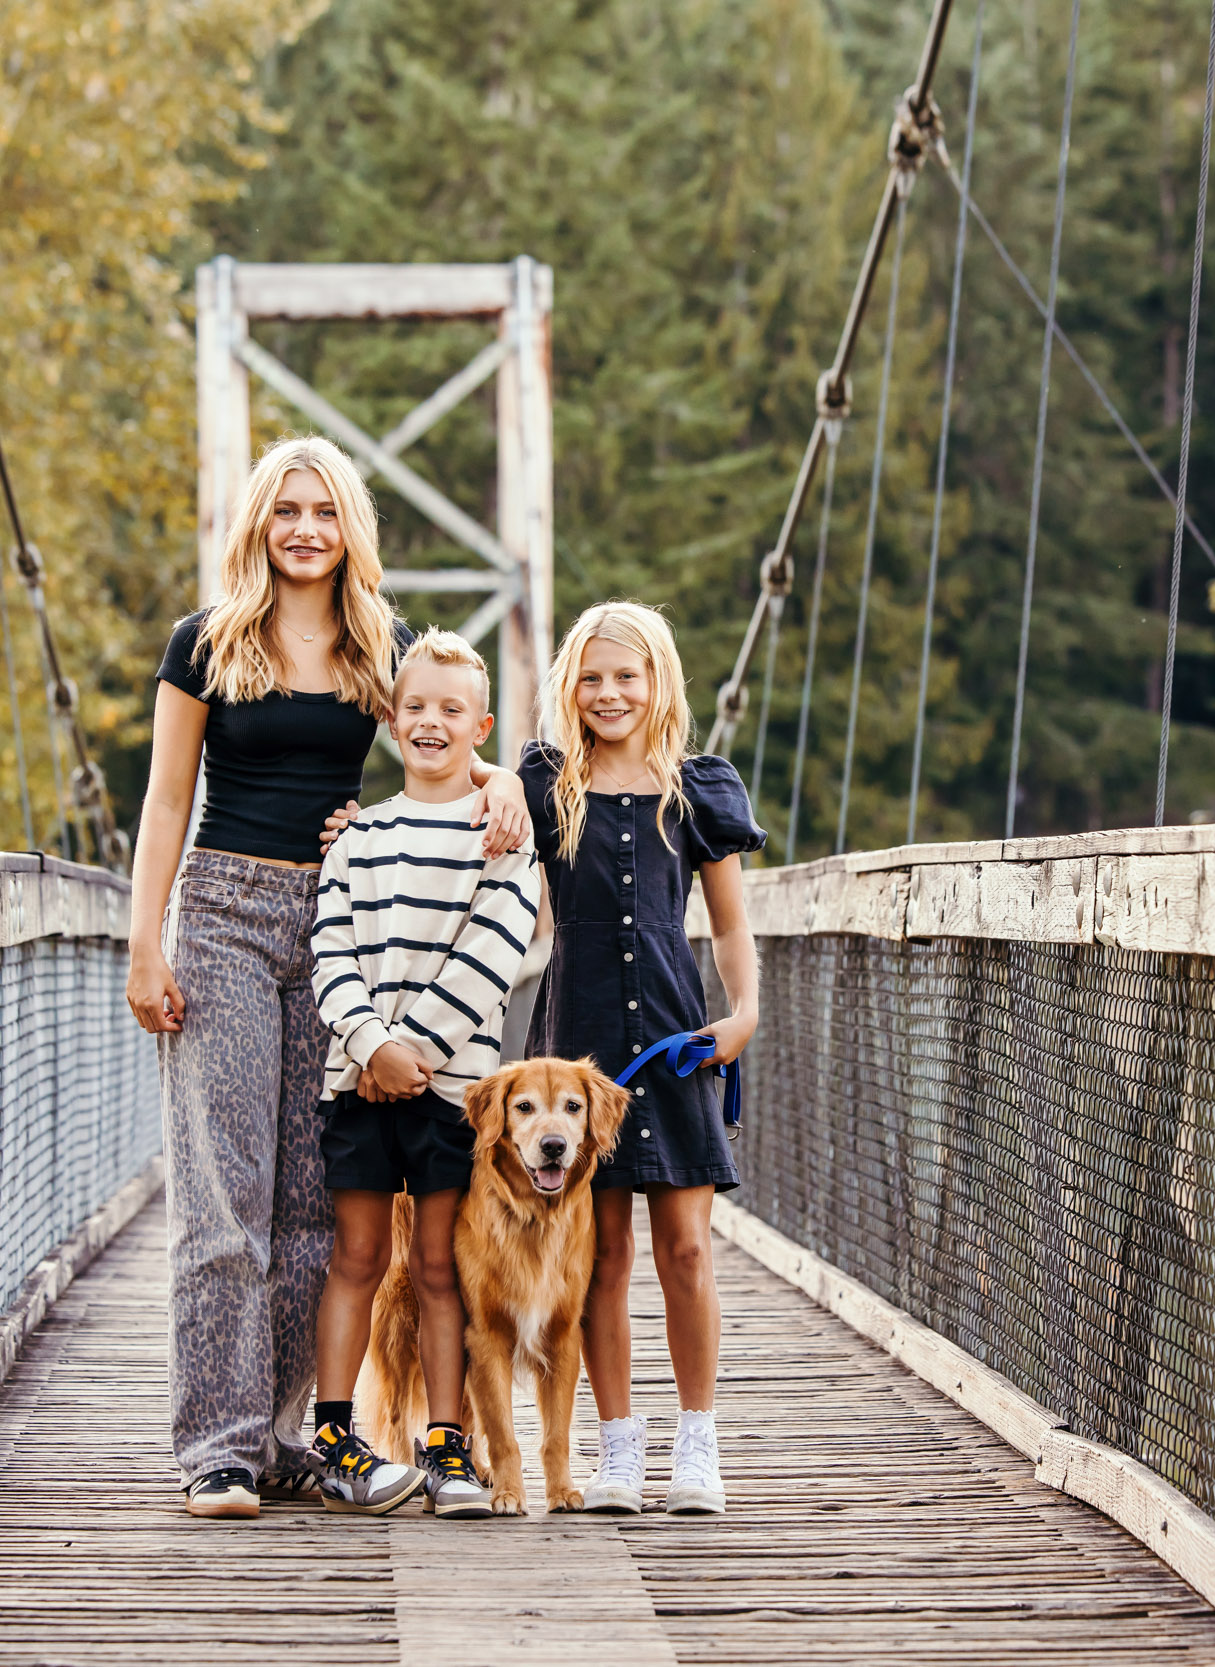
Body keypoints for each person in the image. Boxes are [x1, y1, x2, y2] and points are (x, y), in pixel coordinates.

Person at [124, 435, 529, 1521]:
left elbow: (444, 726)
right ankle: (216, 1447)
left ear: (350, 525)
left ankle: (279, 1432)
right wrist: (144, 936)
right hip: (221, 914)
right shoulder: (204, 641)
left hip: (345, 924)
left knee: (318, 1201)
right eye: (285, 509)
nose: (304, 528)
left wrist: (503, 786)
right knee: (226, 1194)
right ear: (258, 522)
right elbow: (165, 800)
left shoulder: (378, 641)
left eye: (325, 510)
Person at [520, 601, 763, 1516]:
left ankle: (696, 1441)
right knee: (602, 1258)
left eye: (627, 676)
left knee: (688, 1249)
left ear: (658, 681)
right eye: (592, 677)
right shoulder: (545, 783)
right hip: (577, 1061)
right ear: (568, 688)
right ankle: (617, 1448)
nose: (610, 693)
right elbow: (466, 819)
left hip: (676, 1039)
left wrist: (744, 1014)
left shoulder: (698, 789)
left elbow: (731, 925)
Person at [304, 630, 541, 1517]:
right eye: (415, 708)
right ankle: (335, 1431)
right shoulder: (356, 837)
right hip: (359, 1082)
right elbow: (330, 945)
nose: (431, 723)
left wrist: (415, 1052)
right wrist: (370, 1043)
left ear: (480, 725)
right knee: (358, 1254)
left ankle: (447, 1446)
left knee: (442, 1267)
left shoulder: (503, 837)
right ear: (390, 720)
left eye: (451, 710)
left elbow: (495, 951)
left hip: (450, 1094)